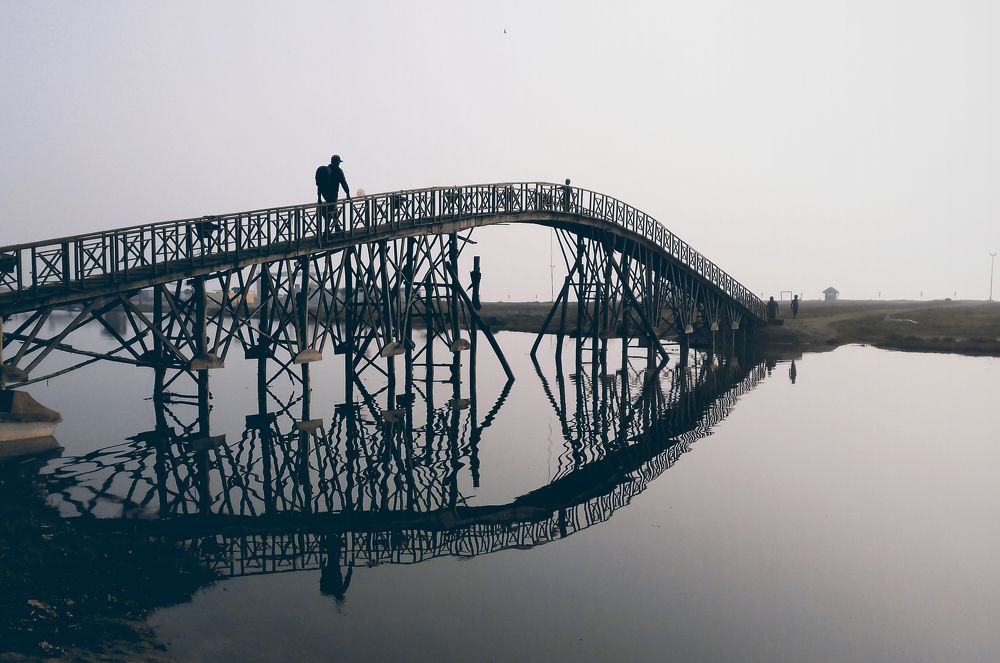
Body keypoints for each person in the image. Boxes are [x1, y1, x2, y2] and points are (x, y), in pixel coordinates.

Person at [315, 154, 351, 233]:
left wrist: (319, 198)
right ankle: (327, 231)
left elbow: (320, 185)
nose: (339, 163)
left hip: (325, 195)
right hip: (333, 194)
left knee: (333, 209)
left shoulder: (326, 169)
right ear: (337, 162)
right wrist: (348, 193)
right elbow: (344, 183)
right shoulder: (338, 171)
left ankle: (336, 227)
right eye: (339, 162)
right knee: (332, 210)